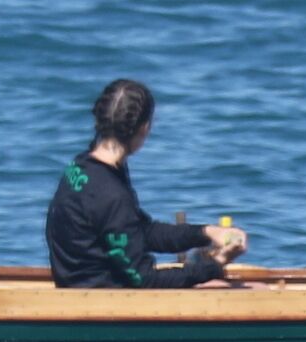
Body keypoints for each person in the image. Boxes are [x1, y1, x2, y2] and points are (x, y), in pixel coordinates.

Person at [45, 78, 245, 289]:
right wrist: (215, 265)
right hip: (102, 298)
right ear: (144, 127)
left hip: (77, 286)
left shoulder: (82, 165)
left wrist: (206, 233)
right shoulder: (112, 195)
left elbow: (139, 232)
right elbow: (145, 279)